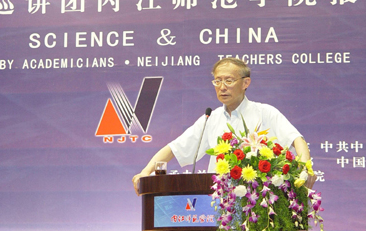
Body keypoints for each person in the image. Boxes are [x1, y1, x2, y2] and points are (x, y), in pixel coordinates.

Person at [132, 57, 316, 195]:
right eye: (217, 81)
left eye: (229, 81)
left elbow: (296, 139)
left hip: (258, 201)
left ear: (245, 83)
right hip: (220, 204)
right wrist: (145, 172)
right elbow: (175, 148)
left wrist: (305, 169)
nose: (222, 87)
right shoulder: (211, 118)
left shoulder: (265, 112)